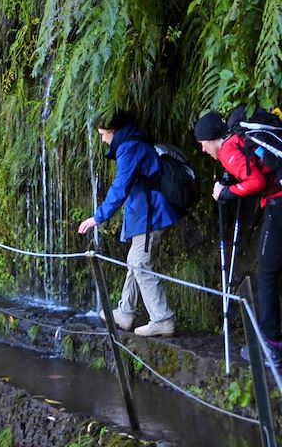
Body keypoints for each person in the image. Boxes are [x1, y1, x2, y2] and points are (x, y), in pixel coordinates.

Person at [78, 110, 179, 336]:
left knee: (140, 263)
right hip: (145, 214)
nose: (103, 140)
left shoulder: (129, 147)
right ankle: (125, 312)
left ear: (113, 131)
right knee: (135, 260)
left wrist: (98, 217)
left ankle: (162, 319)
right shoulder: (132, 142)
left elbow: (120, 187)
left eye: (103, 134)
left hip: (151, 216)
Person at [194, 111, 282, 367]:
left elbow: (253, 182)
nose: (202, 150)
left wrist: (226, 193)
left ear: (211, 140)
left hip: (278, 205)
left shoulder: (229, 150)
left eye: (202, 144)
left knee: (267, 274)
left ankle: (272, 346)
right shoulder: (241, 137)